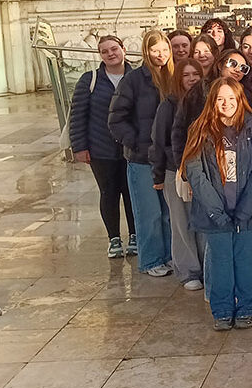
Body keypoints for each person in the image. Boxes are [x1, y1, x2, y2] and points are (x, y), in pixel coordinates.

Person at [182, 79, 252, 330]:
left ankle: (246, 307)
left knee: (245, 259)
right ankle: (222, 310)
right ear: (213, 100)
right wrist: (215, 211)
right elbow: (195, 172)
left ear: (240, 100)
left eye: (231, 99)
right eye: (221, 99)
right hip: (215, 213)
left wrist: (246, 207)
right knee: (221, 261)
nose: (227, 104)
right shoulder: (200, 129)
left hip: (247, 210)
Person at [108, 30, 174, 276]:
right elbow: (116, 118)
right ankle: (151, 260)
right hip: (142, 158)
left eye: (164, 50)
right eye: (155, 50)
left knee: (169, 214)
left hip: (169, 159)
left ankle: (169, 256)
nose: (161, 55)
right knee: (149, 213)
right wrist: (134, 142)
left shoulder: (174, 78)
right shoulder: (134, 79)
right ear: (146, 52)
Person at [68, 35, 135, 257]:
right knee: (108, 193)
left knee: (131, 193)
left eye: (114, 49)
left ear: (123, 50)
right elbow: (78, 115)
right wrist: (79, 147)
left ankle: (134, 235)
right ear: (100, 55)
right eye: (105, 51)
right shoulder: (90, 80)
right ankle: (114, 238)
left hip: (131, 148)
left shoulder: (137, 77)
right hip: (101, 148)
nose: (110, 54)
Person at [150, 58, 206, 290]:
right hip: (176, 171)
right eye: (186, 75)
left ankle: (205, 266)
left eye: (196, 74)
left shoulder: (206, 102)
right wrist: (158, 176)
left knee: (203, 221)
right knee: (181, 222)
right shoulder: (169, 105)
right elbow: (158, 141)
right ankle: (188, 270)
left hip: (203, 171)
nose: (192, 79)